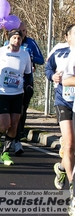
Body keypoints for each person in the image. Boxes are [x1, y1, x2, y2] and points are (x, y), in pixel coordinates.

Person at [0, 29, 32, 166]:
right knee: (5, 124)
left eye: (19, 38)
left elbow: (28, 74)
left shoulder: (25, 55)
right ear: (9, 39)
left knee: (14, 125)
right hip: (2, 92)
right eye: (14, 38)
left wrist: (29, 87)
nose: (16, 41)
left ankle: (5, 153)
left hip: (18, 93)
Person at [46, 24, 74, 194]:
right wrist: (53, 76)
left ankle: (63, 168)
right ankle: (73, 187)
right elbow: (48, 68)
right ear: (67, 36)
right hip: (64, 99)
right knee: (69, 143)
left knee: (72, 148)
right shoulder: (59, 50)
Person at [12, 22, 45, 155]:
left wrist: (30, 59)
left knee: (22, 108)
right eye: (20, 31)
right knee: (14, 110)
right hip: (12, 83)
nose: (22, 33)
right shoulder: (10, 43)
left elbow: (41, 60)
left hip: (27, 81)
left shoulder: (30, 43)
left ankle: (19, 132)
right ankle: (12, 133)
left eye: (24, 31)